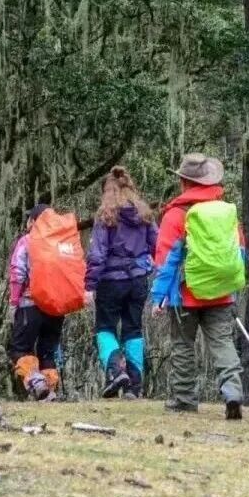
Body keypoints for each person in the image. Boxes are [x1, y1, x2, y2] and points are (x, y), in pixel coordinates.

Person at [151, 152, 245, 418]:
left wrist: (159, 296)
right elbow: (239, 249)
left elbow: (165, 259)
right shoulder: (225, 211)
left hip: (185, 294)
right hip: (222, 292)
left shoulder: (176, 215)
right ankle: (232, 392)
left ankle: (184, 397)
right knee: (222, 343)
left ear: (184, 182)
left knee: (182, 344)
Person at [86, 166, 158, 398]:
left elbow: (98, 254)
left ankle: (116, 371)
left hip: (111, 281)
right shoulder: (144, 214)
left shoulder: (105, 215)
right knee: (133, 329)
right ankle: (134, 387)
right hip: (138, 279)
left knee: (105, 327)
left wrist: (89, 285)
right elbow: (157, 245)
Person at [8, 203, 63, 400]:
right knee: (47, 352)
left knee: (20, 348)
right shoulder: (61, 242)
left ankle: (36, 382)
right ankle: (49, 391)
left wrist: (14, 302)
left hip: (30, 304)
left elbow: (17, 272)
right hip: (56, 308)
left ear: (33, 221)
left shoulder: (27, 241)